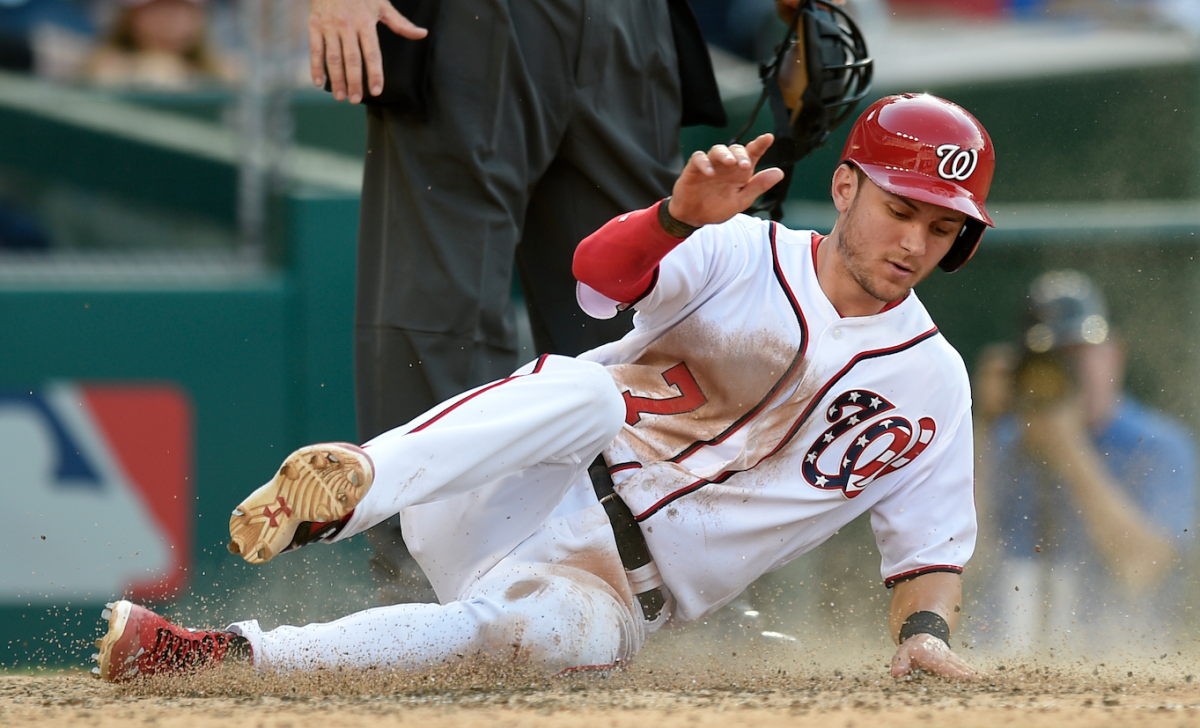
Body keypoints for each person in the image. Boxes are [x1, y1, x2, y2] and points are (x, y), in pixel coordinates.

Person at [93, 93, 993, 682]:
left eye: (943, 226)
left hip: (611, 589)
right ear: (845, 187)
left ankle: (212, 658)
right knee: (591, 391)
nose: (915, 240)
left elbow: (928, 553)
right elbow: (594, 279)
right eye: (900, 208)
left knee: (520, 641)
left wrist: (927, 638)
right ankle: (353, 482)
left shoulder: (935, 384)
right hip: (504, 488)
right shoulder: (740, 246)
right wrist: (677, 217)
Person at [306, 0, 726, 603]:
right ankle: (441, 600)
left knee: (637, 313)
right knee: (446, 316)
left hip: (624, 22)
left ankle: (634, 589)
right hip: (483, 21)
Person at [971, 270, 1197, 655]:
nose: (1072, 370)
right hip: (997, 668)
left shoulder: (1158, 446)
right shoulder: (1005, 440)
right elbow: (958, 564)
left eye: (1082, 351)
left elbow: (1143, 568)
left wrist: (1069, 449)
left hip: (1119, 670)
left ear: (1115, 352)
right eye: (1056, 357)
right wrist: (984, 427)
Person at [84, 0, 235, 90]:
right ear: (128, 17)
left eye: (179, 9)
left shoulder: (226, 75)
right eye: (155, 9)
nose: (169, 23)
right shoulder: (101, 70)